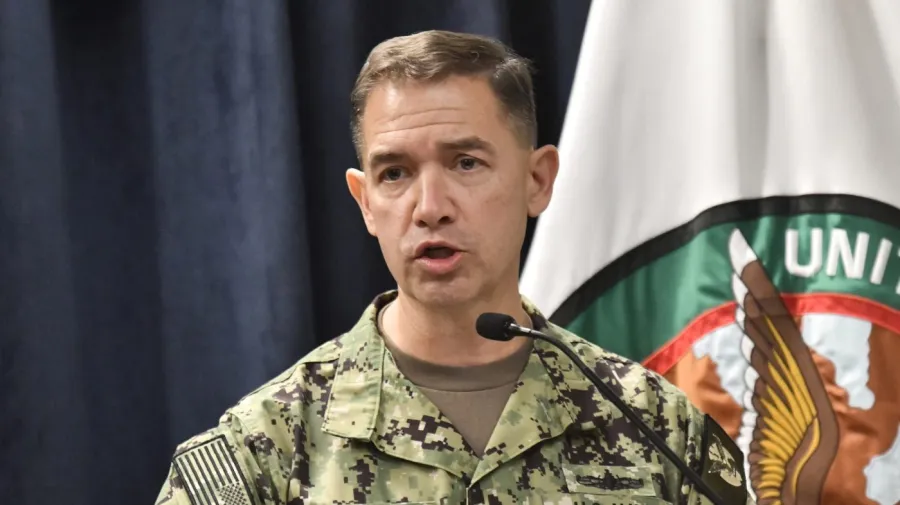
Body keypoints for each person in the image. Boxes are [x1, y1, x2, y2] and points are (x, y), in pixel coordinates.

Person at [155, 30, 752, 505]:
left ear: (537, 180)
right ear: (365, 202)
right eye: (394, 173)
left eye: (466, 163)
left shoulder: (658, 430)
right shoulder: (264, 450)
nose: (430, 208)